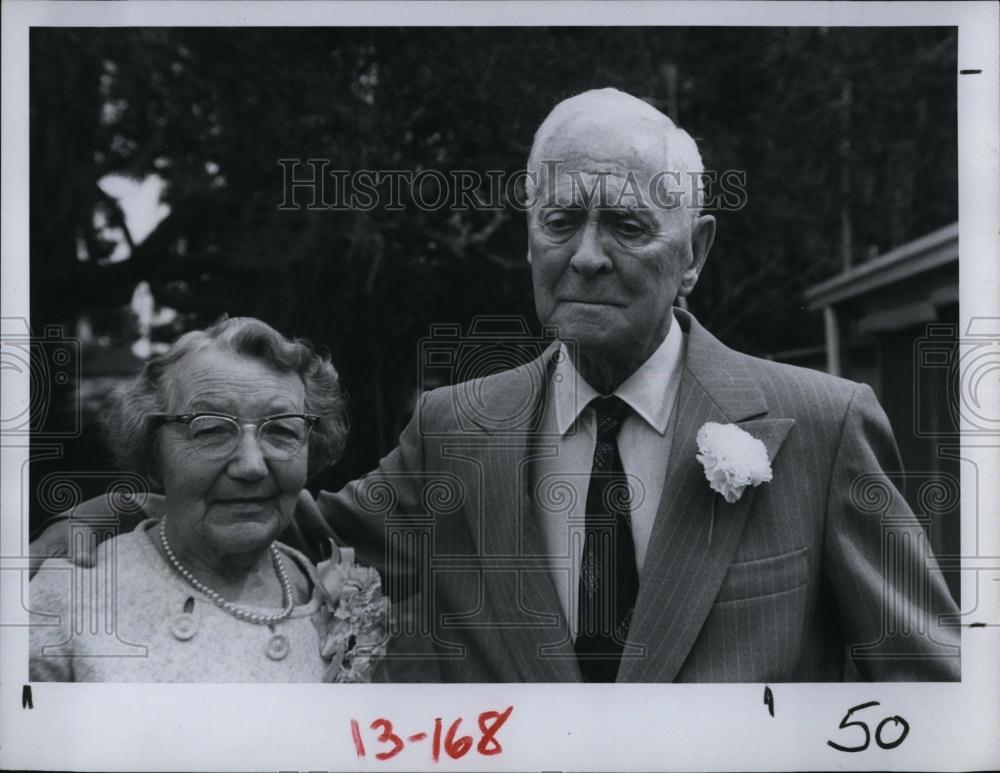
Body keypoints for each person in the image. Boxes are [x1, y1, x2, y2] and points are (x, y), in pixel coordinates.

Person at [33, 88, 959, 683]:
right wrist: (115, 508)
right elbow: (286, 517)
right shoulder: (454, 429)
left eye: (628, 224)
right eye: (560, 220)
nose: (586, 255)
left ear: (697, 252)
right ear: (529, 239)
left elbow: (928, 695)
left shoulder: (822, 425)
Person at [29, 317, 387, 682]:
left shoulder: (337, 599)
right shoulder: (68, 599)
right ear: (153, 453)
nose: (251, 465)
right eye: (212, 429)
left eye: (281, 430)